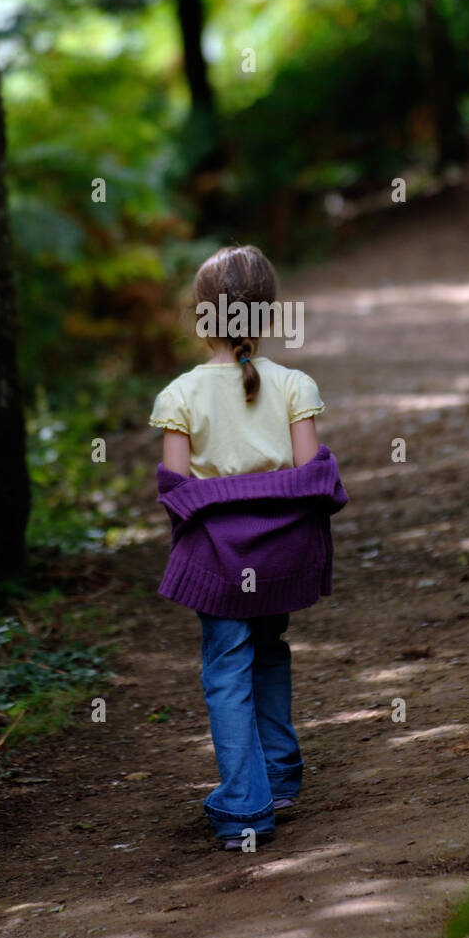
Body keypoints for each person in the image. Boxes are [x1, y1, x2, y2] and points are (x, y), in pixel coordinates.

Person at [148, 244, 348, 849]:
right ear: (266, 315)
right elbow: (311, 476)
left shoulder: (179, 395)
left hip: (219, 561)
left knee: (226, 672)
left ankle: (244, 809)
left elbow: (177, 490)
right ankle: (280, 776)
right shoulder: (293, 384)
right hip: (281, 554)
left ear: (201, 313)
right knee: (270, 650)